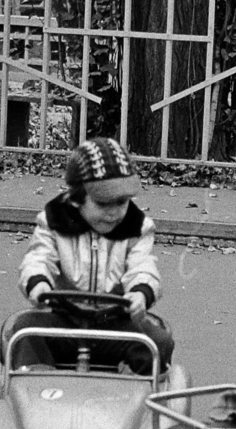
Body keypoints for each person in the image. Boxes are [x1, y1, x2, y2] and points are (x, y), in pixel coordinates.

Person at [10, 138, 173, 374]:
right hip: (65, 321)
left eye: (122, 202)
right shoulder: (54, 221)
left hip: (114, 323)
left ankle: (130, 390)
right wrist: (38, 283)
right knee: (24, 330)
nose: (114, 212)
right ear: (78, 197)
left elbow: (143, 266)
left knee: (158, 342)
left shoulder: (137, 227)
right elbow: (38, 257)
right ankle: (39, 387)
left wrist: (140, 292)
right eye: (103, 203)